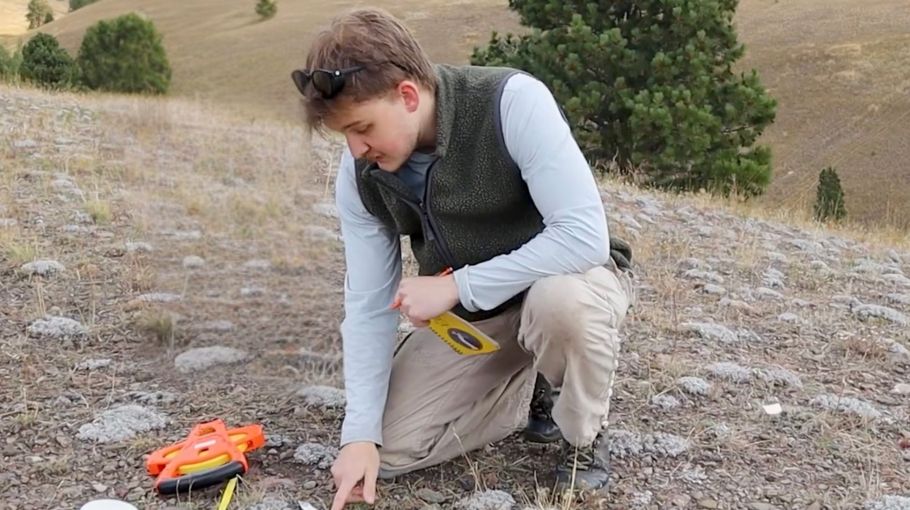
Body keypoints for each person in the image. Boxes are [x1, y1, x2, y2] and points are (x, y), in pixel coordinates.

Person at [291, 7, 635, 510]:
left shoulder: (512, 102)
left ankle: (581, 434)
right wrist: (358, 434)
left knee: (561, 306)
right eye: (344, 133)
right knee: (391, 449)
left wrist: (457, 287)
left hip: (570, 281)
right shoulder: (360, 173)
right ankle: (526, 388)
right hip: (479, 321)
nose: (355, 148)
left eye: (362, 127)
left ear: (407, 96)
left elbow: (584, 237)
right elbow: (368, 305)